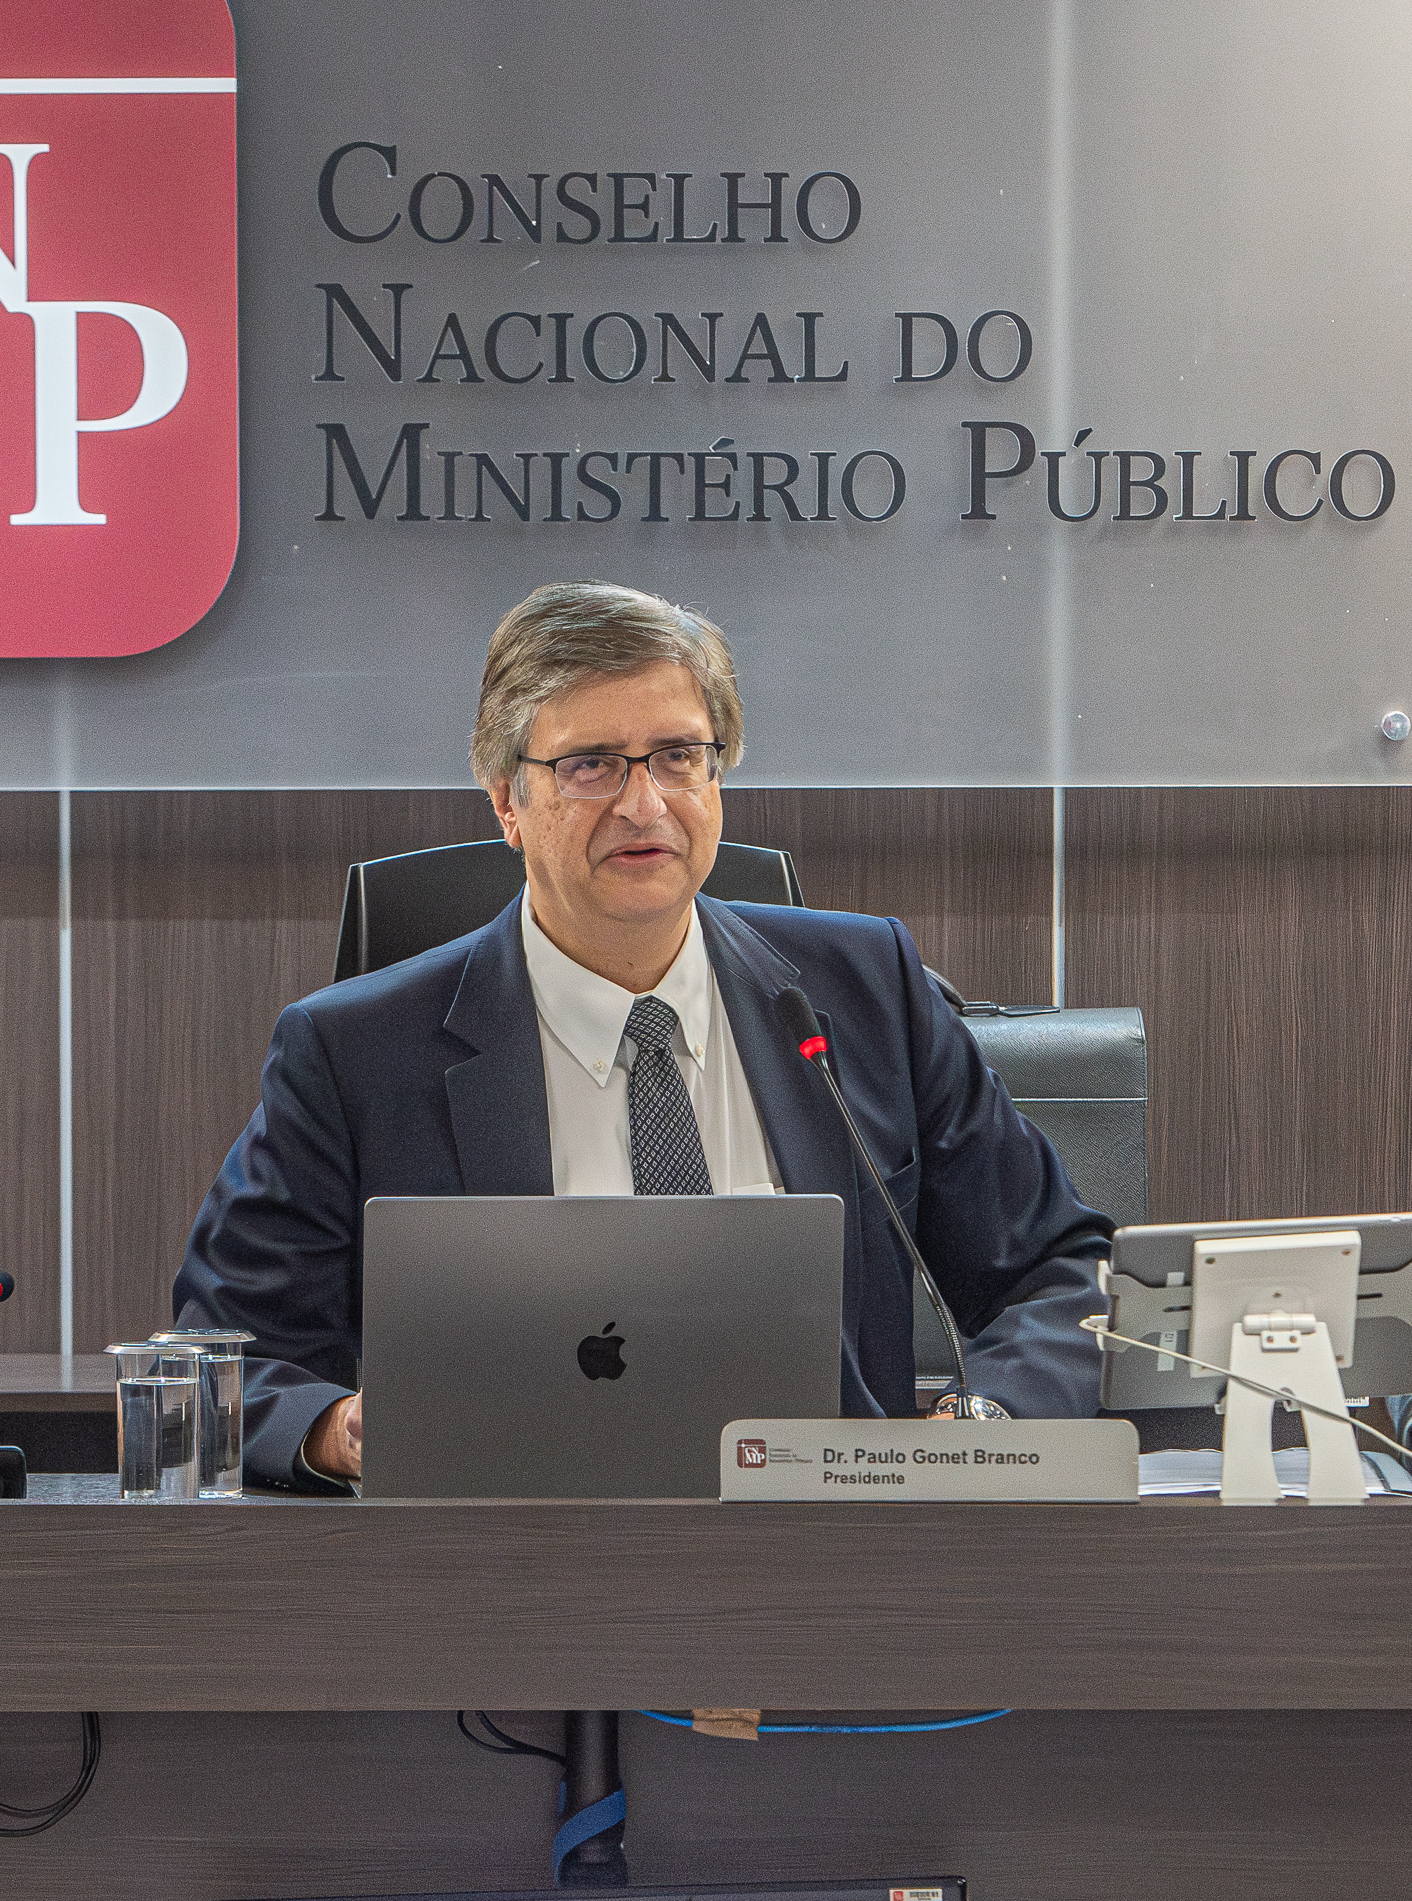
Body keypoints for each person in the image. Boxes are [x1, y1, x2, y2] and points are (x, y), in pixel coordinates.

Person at [175, 581, 1114, 1490]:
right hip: (497, 1558)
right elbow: (223, 1355)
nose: (644, 804)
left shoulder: (868, 989)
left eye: (676, 756)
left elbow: (1057, 1270)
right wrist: (344, 1431)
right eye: (591, 764)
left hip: (831, 1551)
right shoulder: (354, 1052)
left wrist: (982, 1425)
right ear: (506, 801)